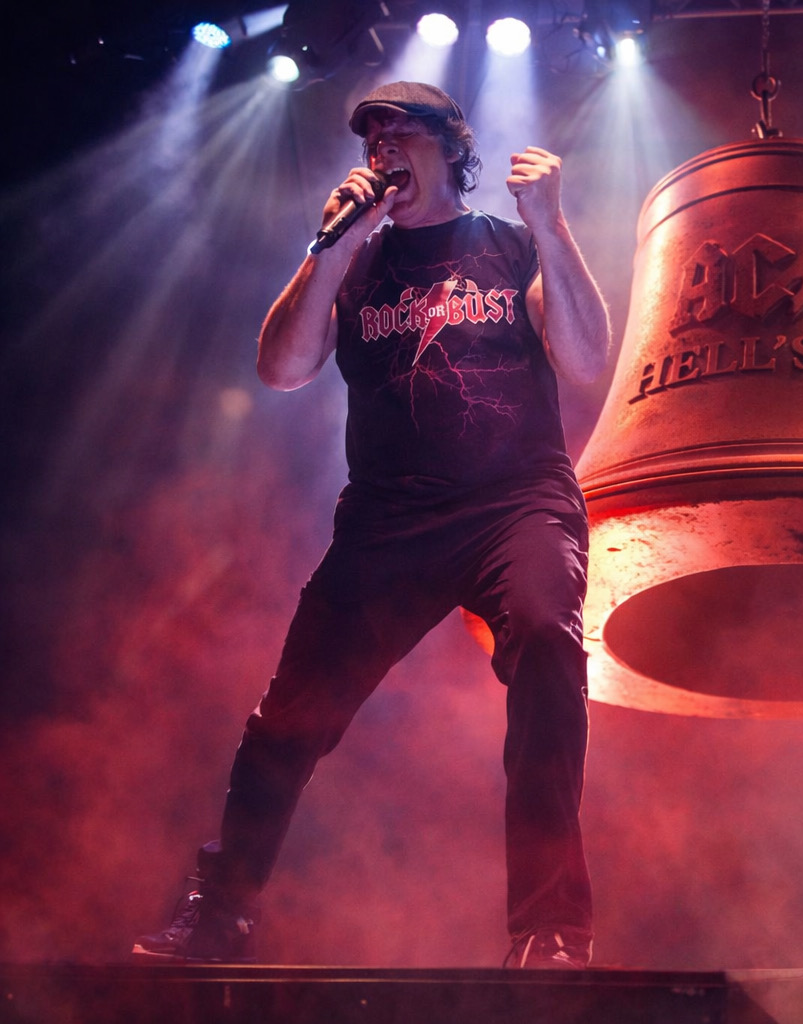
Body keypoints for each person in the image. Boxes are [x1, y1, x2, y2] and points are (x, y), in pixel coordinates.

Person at [132, 81, 611, 969]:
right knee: (291, 712)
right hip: (390, 518)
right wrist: (330, 248)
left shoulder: (510, 246)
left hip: (515, 504)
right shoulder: (354, 262)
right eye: (371, 137)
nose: (382, 146)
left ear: (451, 146)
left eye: (401, 131)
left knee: (549, 642)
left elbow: (585, 361)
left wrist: (551, 223)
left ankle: (550, 927)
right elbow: (281, 369)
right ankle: (221, 911)